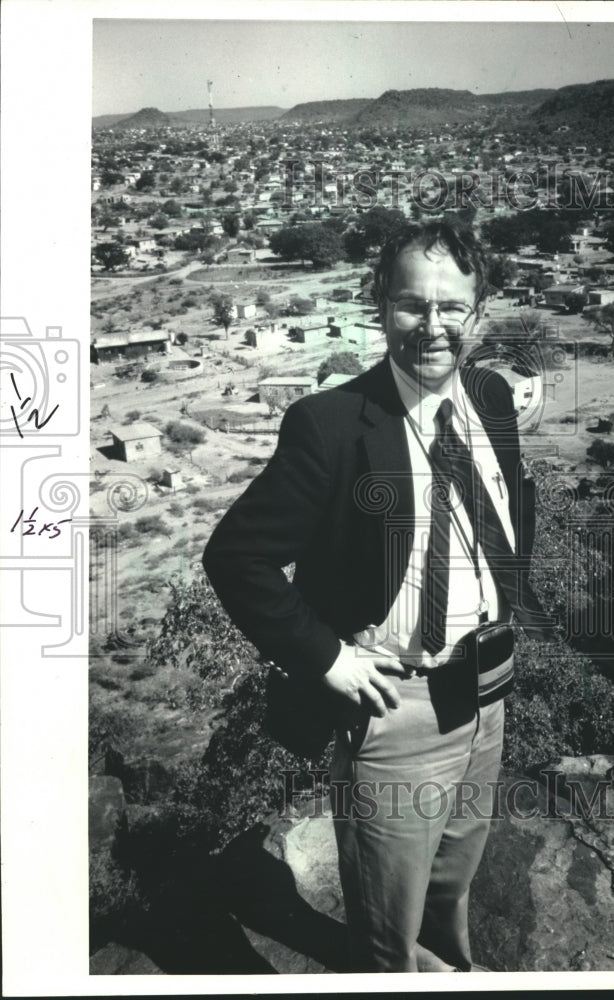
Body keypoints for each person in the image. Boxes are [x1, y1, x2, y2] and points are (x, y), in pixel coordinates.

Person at [203, 221, 549, 972]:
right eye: (410, 306)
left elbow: (505, 513)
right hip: (399, 709)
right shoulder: (329, 427)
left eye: (451, 308)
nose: (432, 327)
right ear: (379, 307)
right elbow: (237, 558)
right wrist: (327, 659)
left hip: (487, 694)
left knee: (452, 887)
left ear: (477, 315)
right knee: (389, 926)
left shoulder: (489, 401)